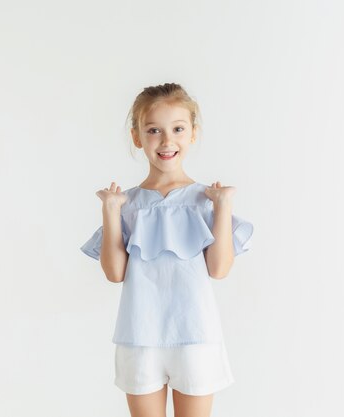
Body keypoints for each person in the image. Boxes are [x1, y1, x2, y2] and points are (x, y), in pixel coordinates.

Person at [80, 82, 253, 417]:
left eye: (177, 129)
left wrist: (223, 207)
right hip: (139, 336)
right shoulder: (128, 204)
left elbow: (219, 269)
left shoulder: (206, 200)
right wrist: (111, 211)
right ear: (137, 137)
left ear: (192, 134)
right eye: (153, 130)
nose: (166, 140)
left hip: (196, 336)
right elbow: (115, 273)